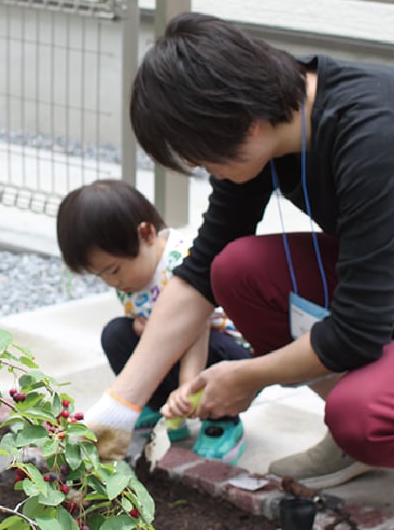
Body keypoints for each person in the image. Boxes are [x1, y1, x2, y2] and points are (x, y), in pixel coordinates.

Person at [92, 11, 394, 528]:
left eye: (202, 157)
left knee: (366, 416)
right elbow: (200, 270)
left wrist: (248, 376)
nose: (205, 170)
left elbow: (359, 329)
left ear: (247, 123)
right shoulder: (271, 120)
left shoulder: (374, 135)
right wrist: (119, 406)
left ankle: (369, 428)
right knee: (238, 269)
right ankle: (354, 438)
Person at [57, 179, 251, 464]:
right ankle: (158, 406)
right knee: (116, 334)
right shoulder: (130, 279)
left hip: (221, 350)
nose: (113, 282)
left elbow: (195, 327)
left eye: (114, 270)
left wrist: (188, 384)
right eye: (102, 276)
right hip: (175, 351)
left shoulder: (179, 262)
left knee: (214, 353)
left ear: (146, 234)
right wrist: (139, 326)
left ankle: (221, 421)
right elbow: (142, 321)